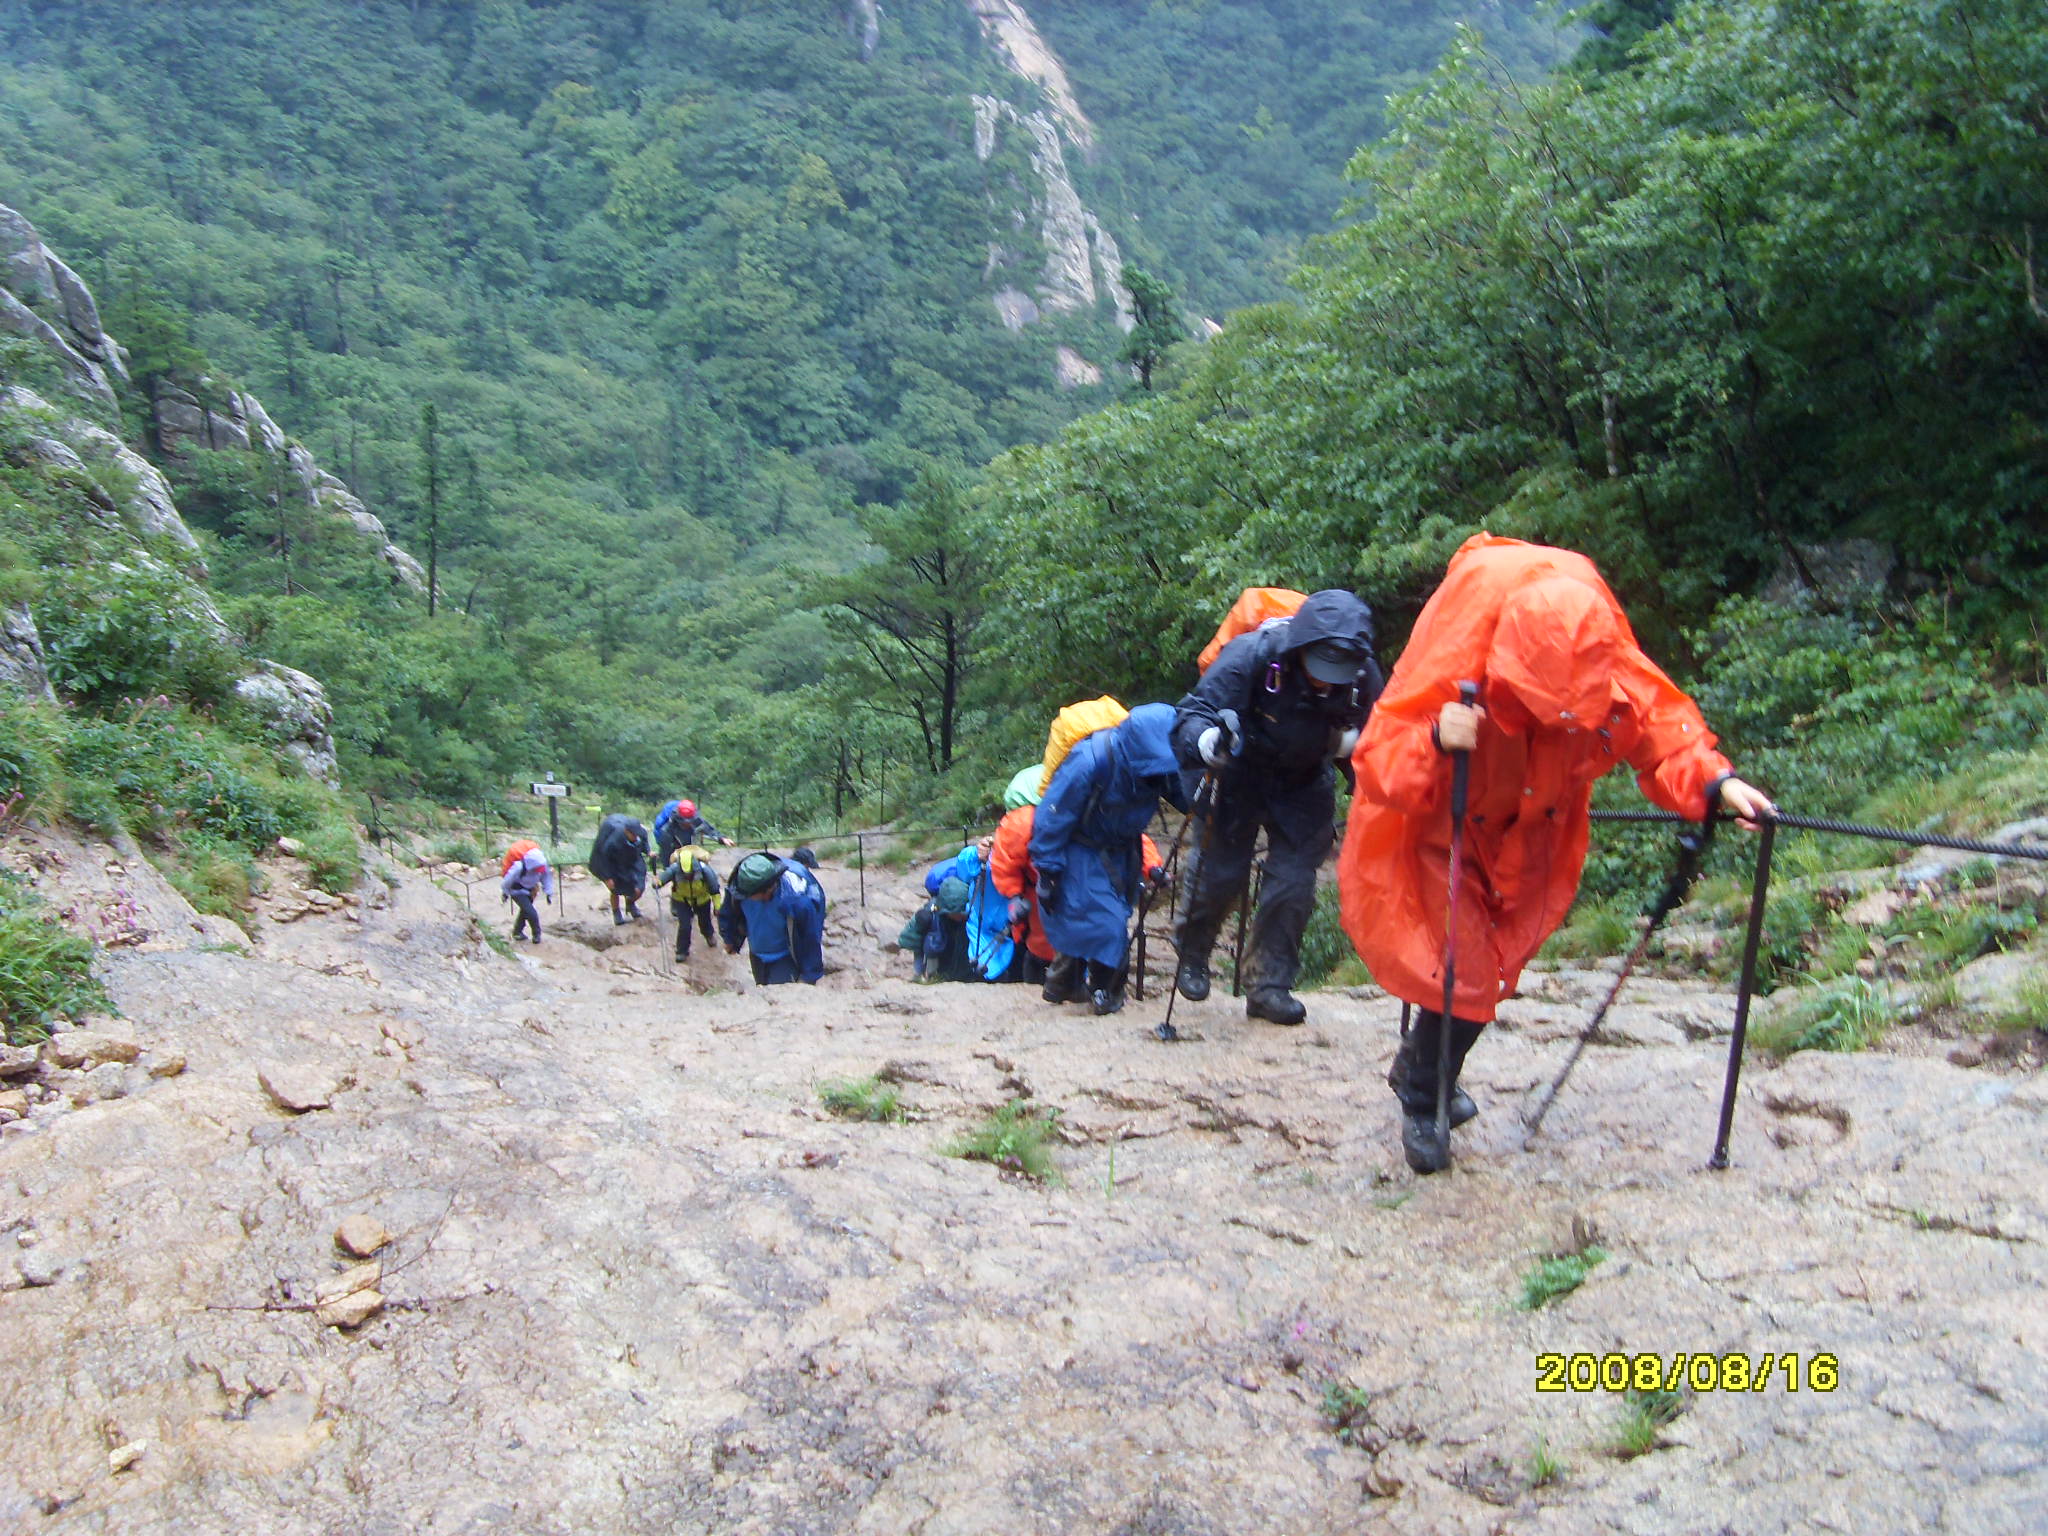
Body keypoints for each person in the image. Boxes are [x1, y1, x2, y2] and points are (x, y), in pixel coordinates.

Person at [1339, 534, 1775, 1174]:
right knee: (1463, 965)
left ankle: (1423, 1067)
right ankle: (1422, 1096)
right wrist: (1437, 736)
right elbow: (1379, 761)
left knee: (1487, 968)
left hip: (1533, 816)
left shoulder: (1596, 642)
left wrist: (1713, 782)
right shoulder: (1457, 646)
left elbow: (1658, 721)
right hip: (1445, 820)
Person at [1170, 588, 1384, 1025]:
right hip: (1238, 772)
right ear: (1300, 645)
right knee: (1222, 872)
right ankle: (1193, 952)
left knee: (1293, 884)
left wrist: (1376, 790)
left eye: (1337, 671)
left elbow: (1380, 737)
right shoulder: (1252, 654)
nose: (1327, 679)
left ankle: (1268, 985)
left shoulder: (1362, 676)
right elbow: (1191, 714)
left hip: (1305, 781)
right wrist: (1206, 740)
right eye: (1321, 667)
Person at [1029, 703, 1189, 1014]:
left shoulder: (1157, 762)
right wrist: (1047, 871)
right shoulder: (1090, 761)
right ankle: (1106, 991)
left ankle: (1061, 983)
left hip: (1124, 849)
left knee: (1102, 914)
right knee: (1107, 921)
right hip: (1081, 848)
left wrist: (1212, 790)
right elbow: (1052, 816)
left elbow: (1184, 796)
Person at [718, 851, 827, 986]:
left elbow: (810, 936)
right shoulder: (741, 886)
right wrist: (729, 939)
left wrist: (809, 975)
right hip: (758, 953)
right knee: (762, 986)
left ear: (768, 890)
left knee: (781, 995)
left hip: (785, 955)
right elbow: (728, 911)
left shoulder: (798, 900)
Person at [898, 874, 980, 982]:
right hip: (939, 961)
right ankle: (934, 976)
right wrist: (917, 969)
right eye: (957, 913)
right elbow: (907, 940)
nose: (961, 916)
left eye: (963, 913)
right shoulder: (929, 915)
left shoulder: (974, 916)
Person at [653, 841, 721, 963]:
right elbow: (662, 879)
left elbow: (714, 889)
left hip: (702, 900)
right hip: (682, 900)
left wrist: (717, 906)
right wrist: (657, 883)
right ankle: (681, 951)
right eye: (685, 873)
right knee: (684, 926)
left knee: (704, 921)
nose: (687, 875)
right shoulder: (674, 869)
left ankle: (709, 935)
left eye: (690, 873)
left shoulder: (705, 871)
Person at [589, 813, 652, 925]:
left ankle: (630, 903)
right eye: (633, 834)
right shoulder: (614, 840)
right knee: (615, 890)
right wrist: (608, 877)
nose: (635, 837)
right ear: (626, 832)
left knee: (639, 888)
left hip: (633, 860)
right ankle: (616, 912)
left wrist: (648, 851)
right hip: (615, 864)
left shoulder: (640, 834)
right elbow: (604, 857)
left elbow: (644, 843)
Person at [500, 841, 554, 944]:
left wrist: (548, 892)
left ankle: (517, 932)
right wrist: (505, 893)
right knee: (531, 912)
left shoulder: (541, 865)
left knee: (525, 912)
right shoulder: (519, 867)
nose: (539, 870)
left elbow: (546, 877)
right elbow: (508, 880)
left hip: (531, 890)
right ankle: (536, 935)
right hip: (517, 891)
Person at [653, 797, 735, 863]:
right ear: (679, 819)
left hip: (689, 845)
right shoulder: (666, 830)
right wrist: (669, 870)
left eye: (690, 821)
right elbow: (665, 853)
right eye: (685, 822)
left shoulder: (695, 819)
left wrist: (722, 838)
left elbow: (707, 828)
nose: (688, 823)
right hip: (674, 846)